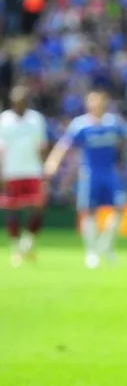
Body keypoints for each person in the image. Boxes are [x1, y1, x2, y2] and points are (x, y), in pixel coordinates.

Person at [43, 90, 127, 268]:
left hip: (110, 172)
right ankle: (91, 252)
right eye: (92, 102)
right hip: (90, 173)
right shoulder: (80, 125)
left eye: (99, 101)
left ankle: (106, 245)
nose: (96, 105)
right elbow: (64, 145)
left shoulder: (112, 122)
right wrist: (52, 162)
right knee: (89, 211)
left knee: (120, 208)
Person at [0, 86, 48, 266]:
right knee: (12, 210)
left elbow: (41, 146)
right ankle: (16, 247)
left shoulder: (36, 119)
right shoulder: (4, 120)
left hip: (32, 171)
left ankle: (27, 242)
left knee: (38, 207)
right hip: (12, 172)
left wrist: (43, 170)